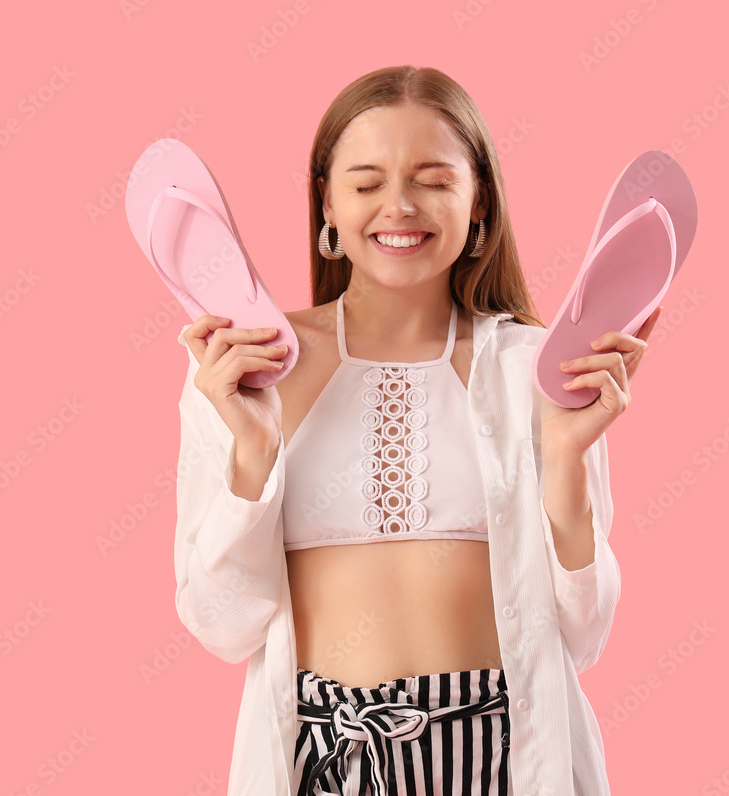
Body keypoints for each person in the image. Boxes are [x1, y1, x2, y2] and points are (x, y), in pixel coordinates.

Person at [173, 65, 659, 796]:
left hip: (500, 761)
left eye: (432, 179)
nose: (398, 206)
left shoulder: (538, 368)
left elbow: (583, 631)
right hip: (326, 762)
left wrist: (562, 460)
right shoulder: (244, 368)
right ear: (327, 206)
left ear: (480, 202)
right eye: (366, 184)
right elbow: (222, 624)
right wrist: (252, 453)